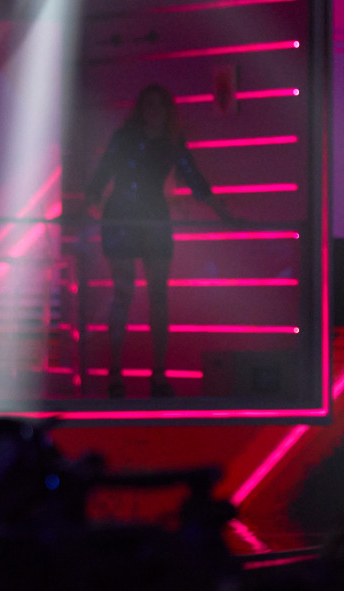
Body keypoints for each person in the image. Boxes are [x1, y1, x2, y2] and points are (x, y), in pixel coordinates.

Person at [86, 84, 231, 399]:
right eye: (148, 105)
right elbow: (100, 177)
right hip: (124, 218)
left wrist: (225, 214)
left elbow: (195, 179)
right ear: (141, 109)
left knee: (158, 297)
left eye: (158, 105)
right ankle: (116, 374)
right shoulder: (127, 138)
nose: (153, 111)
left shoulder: (171, 142)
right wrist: (93, 208)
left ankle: (158, 374)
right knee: (123, 294)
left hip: (151, 219)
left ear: (167, 111)